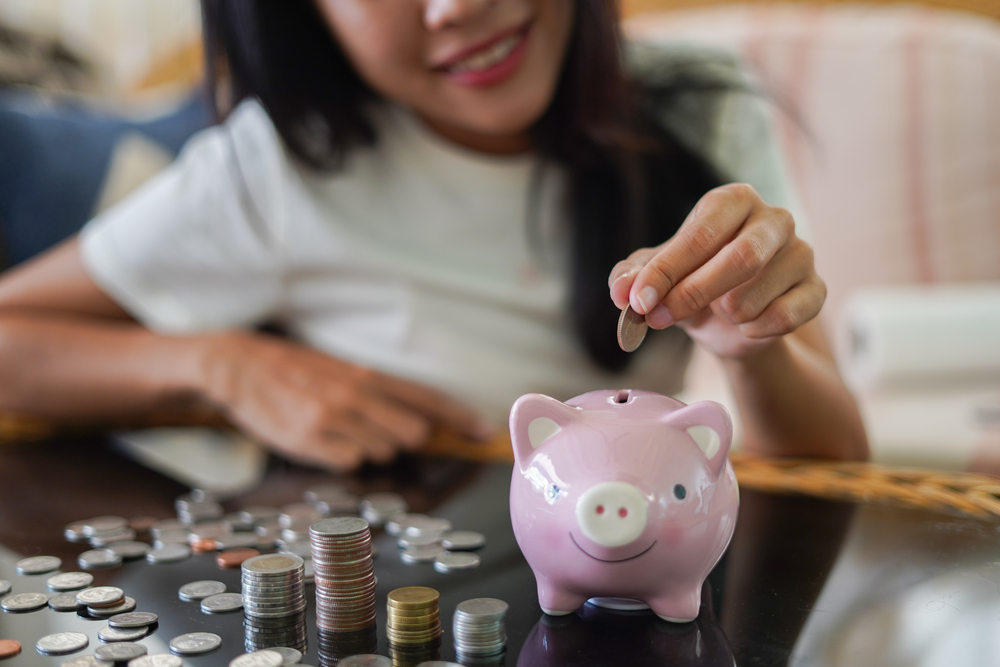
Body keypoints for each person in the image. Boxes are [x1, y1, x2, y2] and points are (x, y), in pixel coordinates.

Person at [0, 0, 868, 470]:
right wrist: (223, 367)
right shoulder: (278, 166)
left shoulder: (698, 100)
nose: (459, 8)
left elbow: (835, 467)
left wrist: (756, 349)